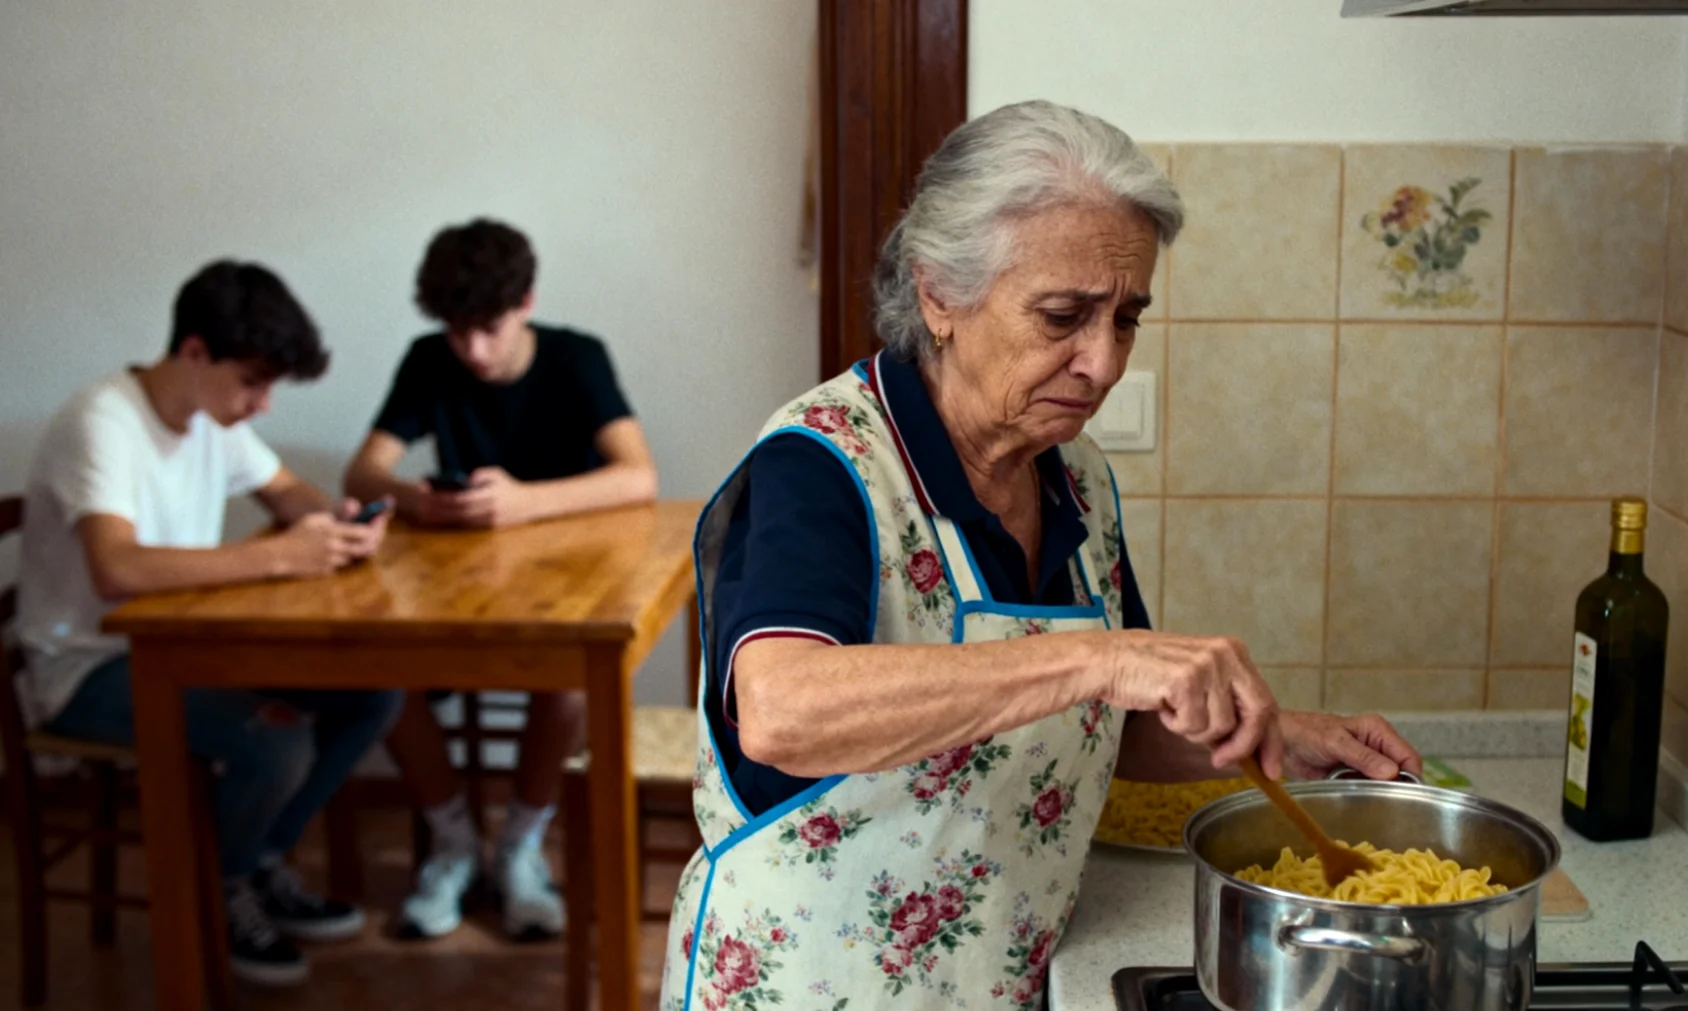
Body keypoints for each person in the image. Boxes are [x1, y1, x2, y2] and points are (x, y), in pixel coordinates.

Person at [658, 101, 1424, 1010]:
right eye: (1063, 316)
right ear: (940, 293)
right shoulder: (824, 461)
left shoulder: (1076, 478)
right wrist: (1099, 655)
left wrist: (1277, 736)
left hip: (1003, 976)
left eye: (1127, 318)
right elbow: (783, 712)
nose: (1103, 363)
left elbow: (1106, 721)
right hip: (814, 984)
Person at [16, 260, 405, 987]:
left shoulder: (205, 414)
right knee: (278, 739)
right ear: (194, 351)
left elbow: (286, 491)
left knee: (373, 694)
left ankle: (256, 860)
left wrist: (339, 522)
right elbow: (118, 568)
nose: (260, 404)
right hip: (85, 668)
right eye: (251, 382)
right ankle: (222, 891)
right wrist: (280, 558)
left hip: (178, 649)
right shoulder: (101, 421)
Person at [343, 218, 659, 942]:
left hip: (569, 580)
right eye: (457, 332)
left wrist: (522, 501)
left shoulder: (577, 357)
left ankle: (519, 846)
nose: (472, 351)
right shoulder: (429, 358)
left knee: (570, 684)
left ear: (526, 302)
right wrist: (421, 498)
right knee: (383, 675)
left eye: (487, 328)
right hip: (456, 579)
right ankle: (454, 842)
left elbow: (639, 475)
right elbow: (362, 471)